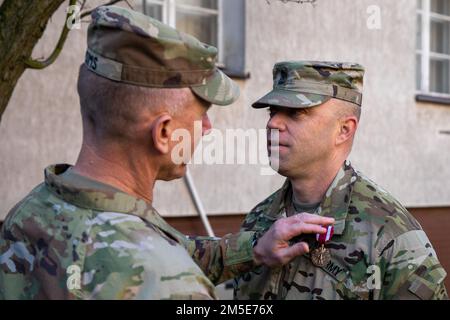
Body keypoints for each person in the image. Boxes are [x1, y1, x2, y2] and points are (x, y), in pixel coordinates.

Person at [0, 7, 334, 300]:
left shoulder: (29, 215)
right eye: (201, 113)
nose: (207, 128)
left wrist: (255, 250)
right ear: (163, 133)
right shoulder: (171, 284)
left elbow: (165, 247)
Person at [233, 61, 448, 300]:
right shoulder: (259, 220)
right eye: (272, 112)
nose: (273, 123)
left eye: (295, 112)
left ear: (344, 129)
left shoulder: (391, 237)